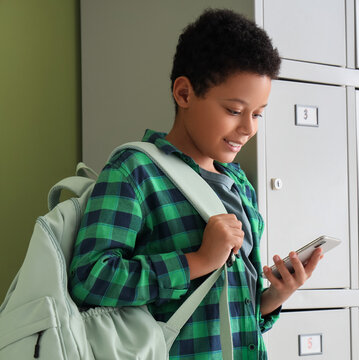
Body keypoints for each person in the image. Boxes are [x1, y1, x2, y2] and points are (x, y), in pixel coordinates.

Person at [69, 8, 323, 359]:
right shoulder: (135, 171)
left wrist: (274, 297)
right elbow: (88, 279)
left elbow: (229, 313)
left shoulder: (239, 186)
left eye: (258, 113)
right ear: (184, 94)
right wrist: (197, 261)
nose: (248, 128)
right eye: (234, 111)